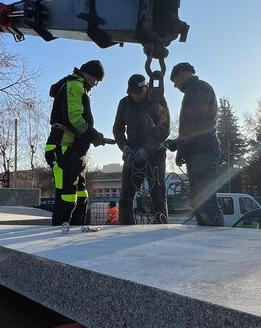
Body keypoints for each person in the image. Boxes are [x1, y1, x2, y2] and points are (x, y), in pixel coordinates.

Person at [45, 60, 106, 226]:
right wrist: (94, 136)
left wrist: (91, 137)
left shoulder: (79, 87)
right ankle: (59, 232)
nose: (96, 84)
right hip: (63, 147)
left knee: (80, 193)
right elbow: (74, 119)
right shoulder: (75, 86)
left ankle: (76, 229)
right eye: (96, 80)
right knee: (66, 194)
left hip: (74, 150)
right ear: (88, 74)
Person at [166, 62, 224, 227]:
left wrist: (179, 148)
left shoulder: (198, 89)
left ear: (183, 73)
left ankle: (217, 241)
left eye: (175, 81)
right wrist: (178, 145)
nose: (175, 86)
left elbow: (194, 124)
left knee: (205, 200)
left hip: (203, 152)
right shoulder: (195, 90)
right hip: (199, 152)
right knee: (200, 201)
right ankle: (208, 239)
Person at [113, 73, 170, 225]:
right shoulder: (124, 103)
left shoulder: (157, 101)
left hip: (155, 154)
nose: (135, 96)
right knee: (125, 197)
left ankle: (161, 228)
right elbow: (118, 129)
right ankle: (125, 230)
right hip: (132, 154)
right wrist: (123, 146)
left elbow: (164, 130)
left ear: (146, 88)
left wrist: (147, 149)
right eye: (132, 93)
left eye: (138, 93)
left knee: (158, 196)